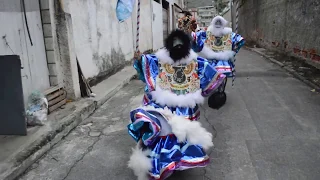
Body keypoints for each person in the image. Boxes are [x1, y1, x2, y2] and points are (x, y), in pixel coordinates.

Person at [127, 29, 226, 180]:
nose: (178, 47)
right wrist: (139, 59)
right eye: (175, 45)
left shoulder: (195, 62)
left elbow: (211, 73)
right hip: (161, 104)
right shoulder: (159, 60)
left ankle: (177, 160)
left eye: (181, 45)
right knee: (161, 132)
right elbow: (146, 66)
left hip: (185, 107)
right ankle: (162, 163)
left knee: (182, 135)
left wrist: (218, 91)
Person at [192, 15, 245, 87]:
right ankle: (214, 88)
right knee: (211, 75)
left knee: (216, 75)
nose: (218, 25)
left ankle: (218, 88)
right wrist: (233, 50)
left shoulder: (228, 34)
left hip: (221, 60)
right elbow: (196, 38)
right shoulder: (208, 33)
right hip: (213, 59)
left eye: (219, 23)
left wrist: (233, 50)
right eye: (216, 23)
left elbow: (240, 41)